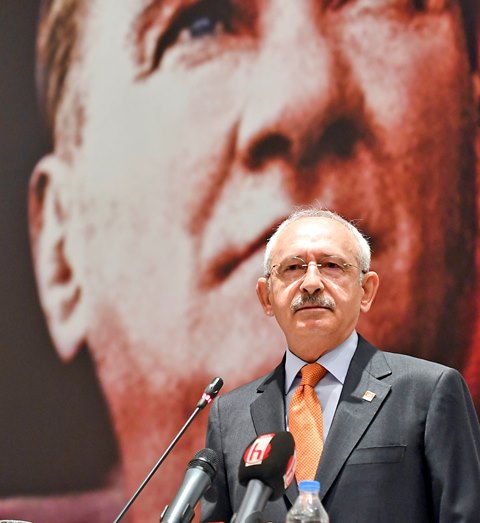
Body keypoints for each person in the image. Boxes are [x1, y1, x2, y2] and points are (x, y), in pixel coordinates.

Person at [4, 0, 478, 522]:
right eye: (200, 24)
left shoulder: (428, 394)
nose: (302, 98)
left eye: (369, 2)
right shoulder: (229, 416)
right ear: (62, 250)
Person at [201, 208, 480, 523]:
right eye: (293, 267)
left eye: (331, 265)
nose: (311, 284)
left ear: (366, 290)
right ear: (266, 296)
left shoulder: (427, 392)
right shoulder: (230, 415)